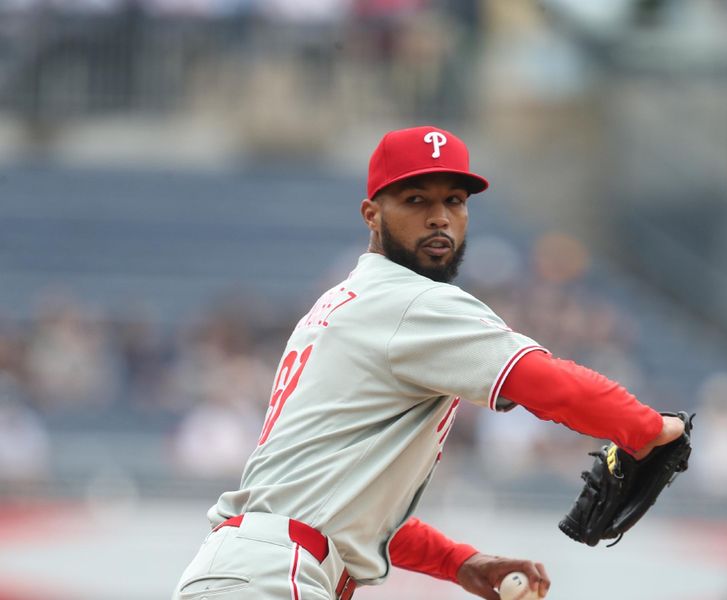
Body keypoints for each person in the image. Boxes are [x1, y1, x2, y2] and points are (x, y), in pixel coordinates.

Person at [172, 126, 686, 600]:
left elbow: (353, 508)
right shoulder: (410, 302)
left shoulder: (347, 302)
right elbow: (546, 383)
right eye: (416, 199)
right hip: (270, 575)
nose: (440, 217)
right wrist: (651, 428)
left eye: (454, 201)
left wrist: (459, 563)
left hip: (253, 566)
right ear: (372, 214)